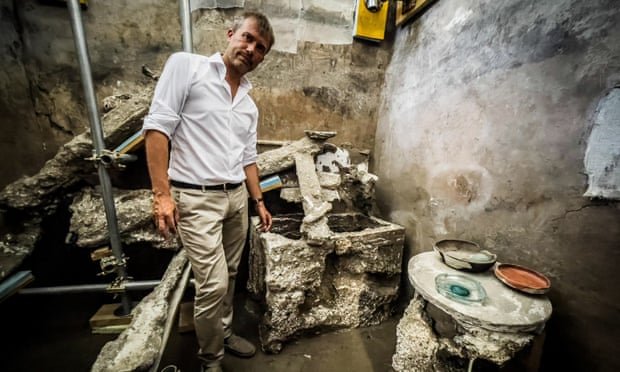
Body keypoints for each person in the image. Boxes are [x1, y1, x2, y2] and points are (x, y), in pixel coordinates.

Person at [142, 10, 274, 372]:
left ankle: (225, 332)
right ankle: (210, 360)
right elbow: (157, 129)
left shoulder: (248, 104)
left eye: (259, 47)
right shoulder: (187, 67)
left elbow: (248, 158)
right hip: (195, 198)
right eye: (246, 38)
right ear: (230, 34)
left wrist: (258, 201)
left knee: (231, 274)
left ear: (262, 58)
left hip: (235, 199)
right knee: (213, 285)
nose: (250, 48)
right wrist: (161, 195)